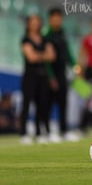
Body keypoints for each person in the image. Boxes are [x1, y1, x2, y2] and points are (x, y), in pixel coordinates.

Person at [44, 8, 79, 142]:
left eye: (59, 19)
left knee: (63, 103)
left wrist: (75, 66)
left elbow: (67, 53)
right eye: (54, 19)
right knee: (47, 103)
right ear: (50, 20)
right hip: (50, 74)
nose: (57, 22)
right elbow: (46, 60)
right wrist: (51, 77)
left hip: (62, 73)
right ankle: (46, 132)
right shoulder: (46, 35)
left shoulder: (62, 33)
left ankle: (63, 131)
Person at [20, 15, 55, 144]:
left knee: (42, 105)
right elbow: (31, 57)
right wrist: (43, 55)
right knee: (26, 104)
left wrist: (38, 55)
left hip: (43, 76)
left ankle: (39, 132)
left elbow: (52, 56)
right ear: (28, 24)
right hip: (30, 76)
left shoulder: (45, 40)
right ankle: (23, 133)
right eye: (32, 22)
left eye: (37, 22)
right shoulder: (25, 39)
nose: (35, 24)